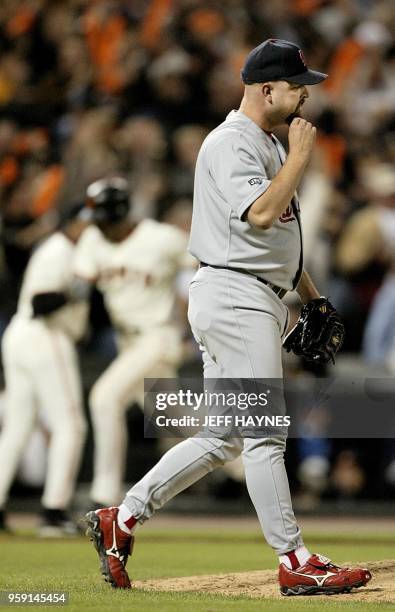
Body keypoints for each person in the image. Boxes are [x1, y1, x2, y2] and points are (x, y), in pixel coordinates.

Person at [85, 40, 372, 595]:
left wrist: (309, 296)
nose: (305, 95)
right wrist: (301, 158)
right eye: (296, 86)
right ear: (266, 89)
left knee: (223, 436)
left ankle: (120, 519)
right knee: (265, 434)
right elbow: (263, 214)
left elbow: (278, 239)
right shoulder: (231, 144)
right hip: (236, 295)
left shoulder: (261, 142)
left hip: (250, 292)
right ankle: (294, 560)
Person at [73, 177, 193, 508]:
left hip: (157, 336)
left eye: (103, 219)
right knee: (177, 422)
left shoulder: (161, 238)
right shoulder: (92, 241)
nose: (98, 226)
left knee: (104, 398)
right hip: (127, 342)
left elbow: (204, 264)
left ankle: (103, 497)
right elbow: (79, 284)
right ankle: (245, 463)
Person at [0, 204, 88, 536]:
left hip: (20, 337)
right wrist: (73, 293)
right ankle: (54, 511)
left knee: (17, 428)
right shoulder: (60, 250)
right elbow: (41, 303)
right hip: (44, 336)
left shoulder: (57, 248)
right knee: (72, 425)